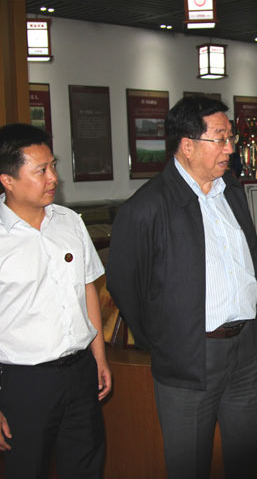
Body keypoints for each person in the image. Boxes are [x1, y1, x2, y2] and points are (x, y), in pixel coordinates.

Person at [107, 95, 257, 479]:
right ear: (187, 145)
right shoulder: (147, 207)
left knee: (251, 462)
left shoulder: (231, 191)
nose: (230, 148)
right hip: (190, 358)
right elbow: (124, 284)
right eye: (220, 138)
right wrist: (167, 340)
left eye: (230, 138)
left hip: (246, 352)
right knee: (189, 464)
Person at [0, 123, 111, 478]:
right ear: (8, 180)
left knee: (86, 466)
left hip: (80, 372)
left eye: (53, 166)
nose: (53, 178)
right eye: (41, 170)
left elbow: (87, 289)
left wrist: (99, 357)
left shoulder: (70, 222)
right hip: (23, 382)